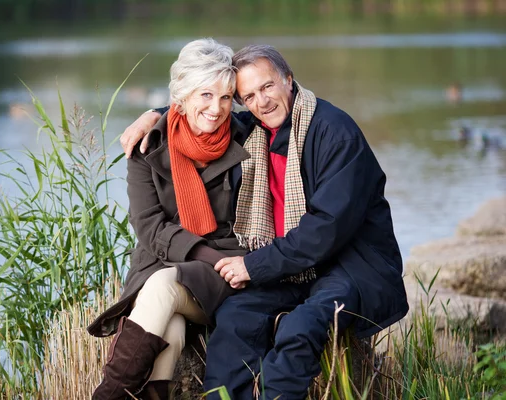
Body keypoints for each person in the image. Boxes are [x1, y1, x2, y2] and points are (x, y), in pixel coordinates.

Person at [121, 44, 409, 399]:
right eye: (249, 96)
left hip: (347, 264)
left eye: (268, 87)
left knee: (301, 327)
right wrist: (153, 114)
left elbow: (326, 231)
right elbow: (201, 109)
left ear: (289, 80)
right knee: (234, 321)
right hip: (289, 267)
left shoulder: (334, 132)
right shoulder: (256, 129)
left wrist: (253, 265)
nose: (261, 101)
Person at [86, 38, 251, 400]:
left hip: (224, 274)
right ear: (183, 96)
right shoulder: (147, 146)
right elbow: (149, 227)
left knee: (161, 288)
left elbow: (283, 100)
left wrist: (223, 262)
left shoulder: (248, 136)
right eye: (205, 95)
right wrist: (213, 258)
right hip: (168, 261)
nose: (217, 108)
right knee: (171, 331)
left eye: (226, 97)